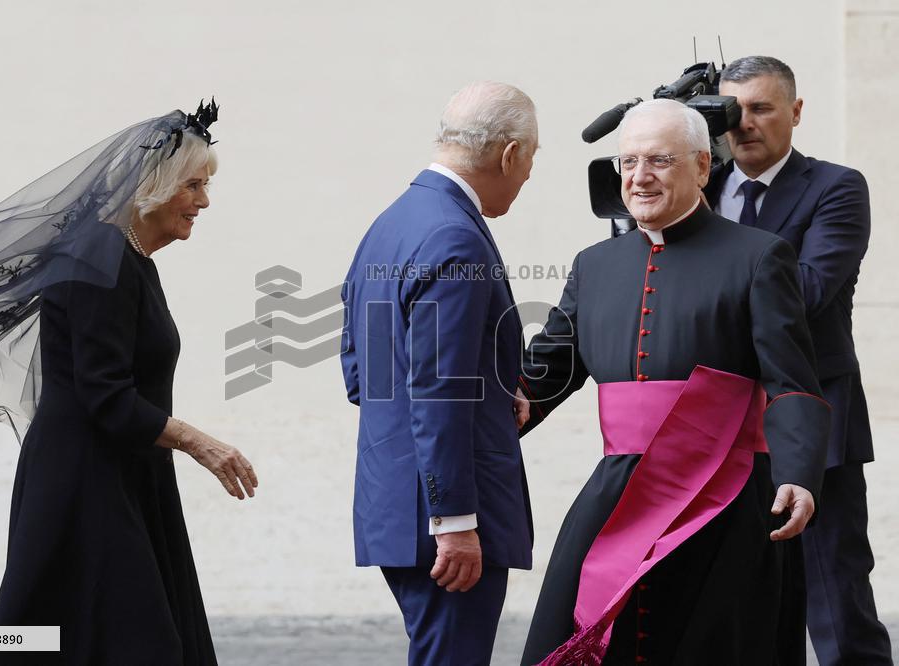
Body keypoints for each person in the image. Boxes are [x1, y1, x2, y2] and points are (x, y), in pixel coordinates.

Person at [0, 101, 258, 665]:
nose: (203, 202)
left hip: (122, 473)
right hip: (85, 482)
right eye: (193, 186)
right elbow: (105, 394)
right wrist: (198, 442)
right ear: (154, 186)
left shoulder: (129, 256)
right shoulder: (99, 256)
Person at [515, 99, 829, 665]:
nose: (639, 177)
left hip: (725, 495)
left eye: (659, 160)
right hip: (619, 488)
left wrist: (800, 475)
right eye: (628, 162)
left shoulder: (759, 257)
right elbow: (547, 372)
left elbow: (792, 381)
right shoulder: (595, 264)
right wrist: (482, 418)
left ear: (704, 167)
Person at [702, 55, 892, 665]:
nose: (745, 124)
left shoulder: (836, 187)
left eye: (761, 108)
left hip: (813, 419)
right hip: (713, 423)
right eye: (733, 111)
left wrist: (702, 300)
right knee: (726, 598)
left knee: (835, 598)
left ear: (795, 112)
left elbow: (807, 293)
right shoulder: (694, 186)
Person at [339, 81, 537, 665]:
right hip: (443, 516)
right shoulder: (455, 236)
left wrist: (497, 390)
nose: (527, 176)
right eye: (531, 159)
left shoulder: (392, 222)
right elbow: (438, 387)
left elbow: (363, 373)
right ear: (508, 155)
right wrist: (453, 520)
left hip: (391, 499)